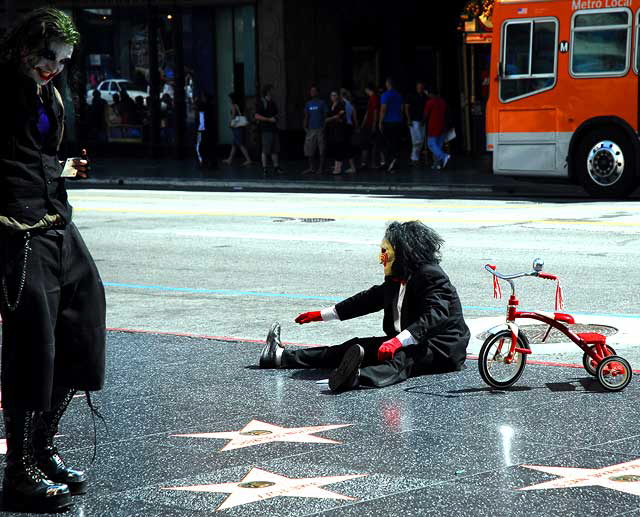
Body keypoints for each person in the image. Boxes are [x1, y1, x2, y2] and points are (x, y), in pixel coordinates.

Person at [0, 8, 106, 512]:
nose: (55, 68)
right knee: (32, 342)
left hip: (53, 219)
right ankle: (17, 471)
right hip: (14, 228)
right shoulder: (4, 89)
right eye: (49, 58)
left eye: (63, 61)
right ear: (25, 47)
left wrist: (63, 169)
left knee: (84, 318)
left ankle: (43, 446)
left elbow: (36, 154)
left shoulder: (51, 92)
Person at [259, 221, 470, 392]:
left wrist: (398, 341)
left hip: (441, 347)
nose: (381, 259)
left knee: (403, 359)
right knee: (354, 346)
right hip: (405, 340)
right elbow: (368, 300)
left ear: (403, 252)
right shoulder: (397, 279)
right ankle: (278, 357)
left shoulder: (431, 275)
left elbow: (435, 315)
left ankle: (356, 378)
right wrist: (323, 315)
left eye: (385, 252)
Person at [254, 84, 283, 176]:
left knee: (274, 149)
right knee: (266, 150)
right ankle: (264, 168)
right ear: (268, 91)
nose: (273, 92)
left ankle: (276, 166)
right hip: (266, 129)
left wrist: (275, 118)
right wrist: (269, 119)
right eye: (272, 90)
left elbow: (276, 114)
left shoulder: (272, 102)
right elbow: (256, 116)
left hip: (273, 128)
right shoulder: (262, 102)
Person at [379, 78, 404, 173]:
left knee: (387, 143)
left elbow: (383, 109)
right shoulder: (399, 95)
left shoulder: (385, 95)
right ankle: (395, 162)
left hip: (388, 122)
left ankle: (390, 164)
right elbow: (401, 110)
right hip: (398, 121)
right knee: (396, 142)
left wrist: (380, 122)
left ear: (388, 84)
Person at [302, 84, 328, 175]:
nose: (312, 92)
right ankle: (311, 168)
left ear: (317, 92)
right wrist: (305, 126)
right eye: (311, 91)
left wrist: (324, 127)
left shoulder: (322, 103)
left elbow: (325, 116)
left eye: (314, 91)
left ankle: (321, 168)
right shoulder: (308, 103)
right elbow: (306, 116)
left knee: (321, 149)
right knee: (309, 149)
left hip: (320, 128)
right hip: (311, 129)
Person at [424, 87, 451, 169]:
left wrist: (423, 122)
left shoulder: (430, 103)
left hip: (433, 126)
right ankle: (437, 164)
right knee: (438, 146)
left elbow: (425, 115)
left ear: (431, 94)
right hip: (442, 126)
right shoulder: (443, 102)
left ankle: (444, 156)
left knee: (431, 144)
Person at [223, 92, 252, 166]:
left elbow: (233, 116)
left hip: (237, 127)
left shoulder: (234, 105)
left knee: (240, 144)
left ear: (232, 99)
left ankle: (248, 159)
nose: (229, 100)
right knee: (234, 144)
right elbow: (242, 115)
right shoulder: (240, 105)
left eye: (230, 98)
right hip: (240, 126)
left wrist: (230, 124)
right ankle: (230, 159)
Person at [404, 81, 428, 166]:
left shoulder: (425, 96)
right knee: (416, 139)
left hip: (422, 121)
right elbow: (406, 107)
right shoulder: (411, 95)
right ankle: (414, 158)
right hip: (414, 120)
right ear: (416, 87)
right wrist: (408, 119)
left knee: (421, 140)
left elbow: (426, 109)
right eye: (419, 87)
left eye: (421, 87)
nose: (420, 89)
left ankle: (415, 157)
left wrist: (424, 119)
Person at [325, 91, 347, 175]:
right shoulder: (330, 106)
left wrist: (334, 118)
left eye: (334, 95)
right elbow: (326, 119)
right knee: (334, 147)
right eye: (331, 95)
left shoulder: (340, 105)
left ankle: (338, 168)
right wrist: (334, 117)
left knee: (339, 147)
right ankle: (336, 165)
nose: (333, 97)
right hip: (332, 130)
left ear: (337, 96)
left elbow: (340, 117)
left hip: (339, 130)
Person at [360, 83, 381, 169]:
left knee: (372, 144)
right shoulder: (372, 98)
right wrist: (363, 124)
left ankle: (367, 163)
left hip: (370, 123)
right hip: (368, 124)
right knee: (368, 144)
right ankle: (365, 163)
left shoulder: (373, 98)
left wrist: (374, 123)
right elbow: (368, 112)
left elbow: (375, 111)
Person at [340, 88, 359, 174]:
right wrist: (356, 128)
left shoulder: (342, 104)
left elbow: (342, 117)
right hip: (350, 127)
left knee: (347, 147)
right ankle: (342, 165)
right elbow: (355, 118)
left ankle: (352, 167)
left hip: (344, 127)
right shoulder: (351, 104)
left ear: (341, 95)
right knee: (348, 146)